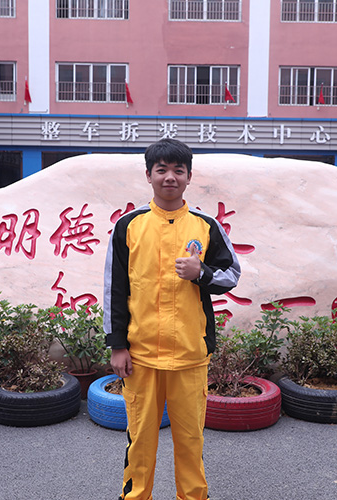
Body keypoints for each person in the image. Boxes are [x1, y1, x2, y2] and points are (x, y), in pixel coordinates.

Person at [103, 138, 241, 500]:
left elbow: (232, 275)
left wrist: (201, 273)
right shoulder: (129, 226)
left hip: (190, 356)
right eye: (161, 169)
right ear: (148, 175)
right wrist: (117, 346)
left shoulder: (205, 226)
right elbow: (115, 290)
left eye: (178, 170)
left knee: (191, 441)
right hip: (141, 356)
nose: (170, 177)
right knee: (140, 442)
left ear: (189, 177)